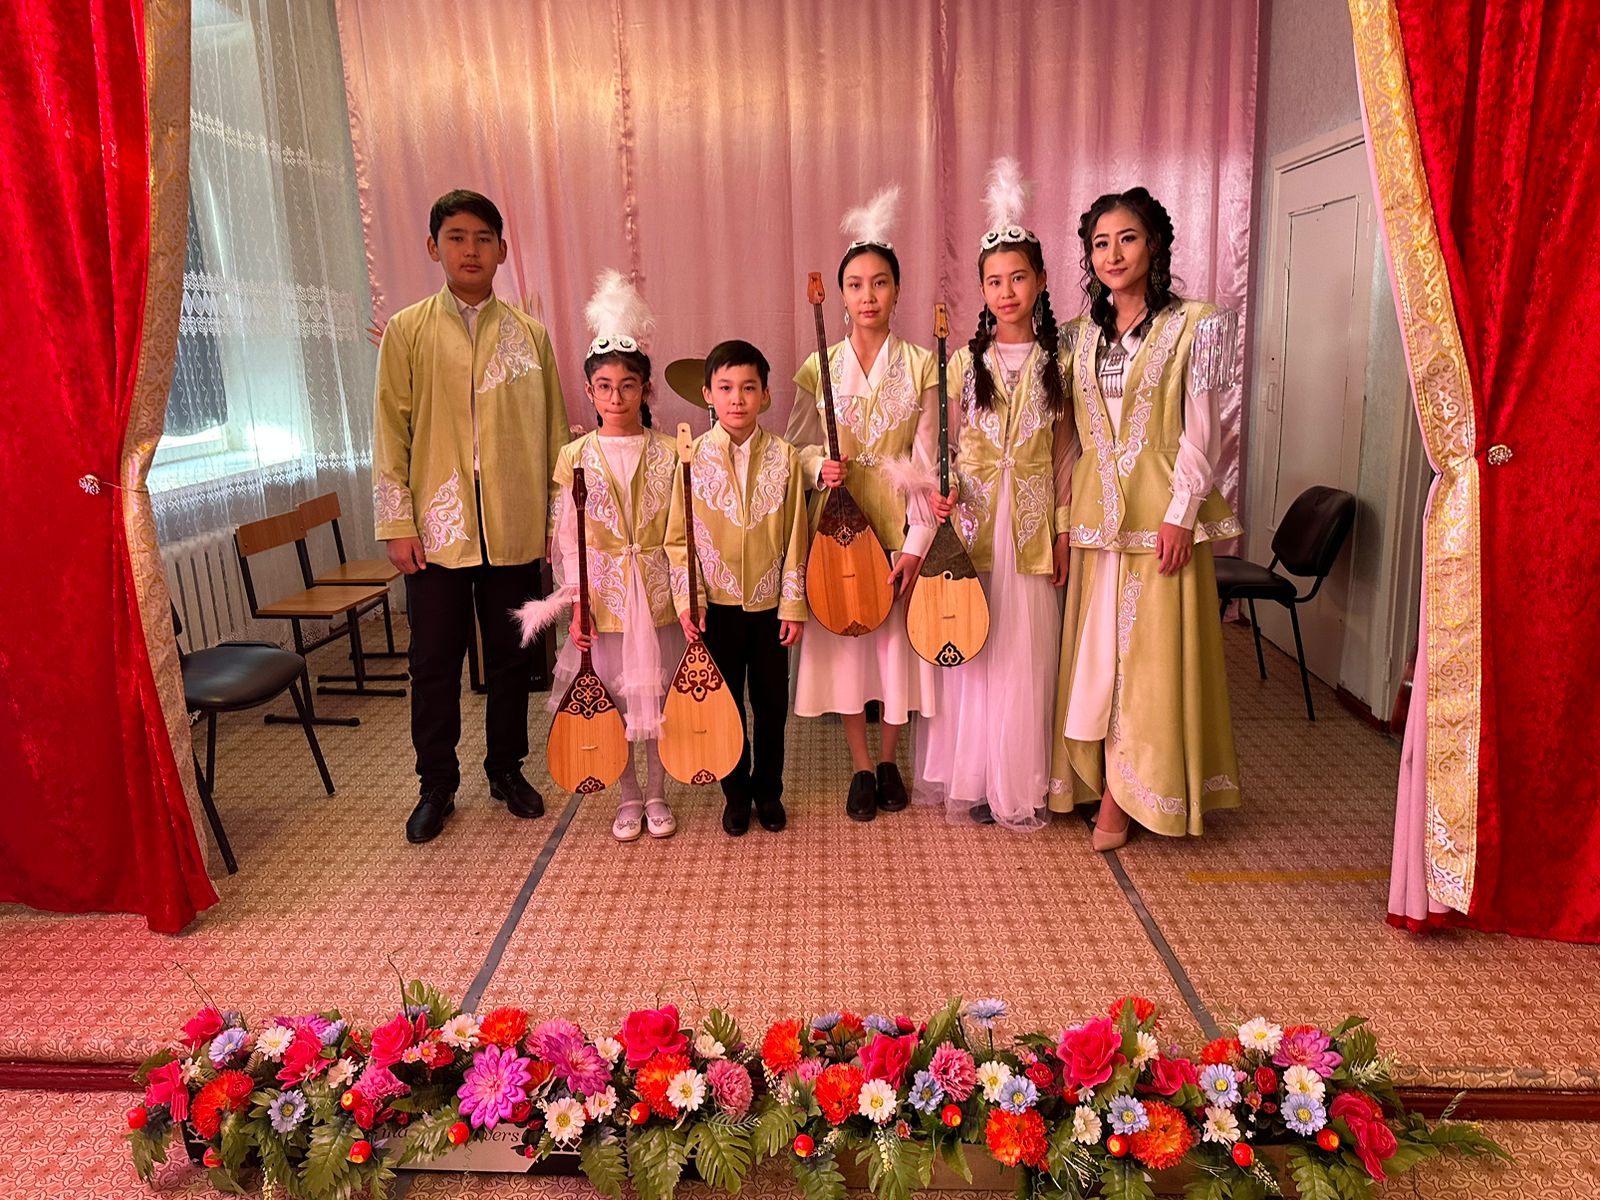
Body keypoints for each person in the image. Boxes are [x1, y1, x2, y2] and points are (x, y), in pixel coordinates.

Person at [1047, 187, 1243, 849]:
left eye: (1126, 239)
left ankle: (1128, 795)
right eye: (1100, 244)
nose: (1113, 255)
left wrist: (1182, 513)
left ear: (1154, 244)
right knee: (1097, 654)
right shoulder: (1077, 338)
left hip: (1161, 513)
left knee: (1150, 660)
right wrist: (1063, 522)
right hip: (1096, 517)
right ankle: (1099, 774)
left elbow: (1204, 429)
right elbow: (1068, 437)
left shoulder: (1197, 325)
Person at [372, 189, 567, 844]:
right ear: (434, 248)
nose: (471, 250)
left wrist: (555, 524)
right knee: (433, 661)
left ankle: (506, 769)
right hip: (436, 529)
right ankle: (436, 783)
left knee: (513, 657)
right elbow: (390, 432)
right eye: (457, 237)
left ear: (503, 250)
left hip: (512, 524)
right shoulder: (407, 332)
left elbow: (554, 435)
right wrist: (397, 521)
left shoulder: (530, 337)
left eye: (484, 238)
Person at [917, 158, 1074, 831]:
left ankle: (1022, 779)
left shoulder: (1060, 362)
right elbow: (938, 444)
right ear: (981, 289)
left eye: (1018, 278)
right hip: (975, 527)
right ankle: (975, 776)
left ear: (1040, 281)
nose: (1007, 292)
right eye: (994, 281)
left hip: (1031, 530)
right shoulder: (963, 363)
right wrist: (940, 492)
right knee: (973, 645)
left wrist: (1063, 530)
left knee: (1024, 653)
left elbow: (1067, 455)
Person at [784, 185, 940, 822]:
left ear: (897, 291)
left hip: (898, 527)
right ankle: (858, 765)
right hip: (840, 531)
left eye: (880, 283)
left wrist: (916, 545)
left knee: (895, 648)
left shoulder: (923, 365)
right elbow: (794, 448)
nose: (868, 295)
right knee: (848, 647)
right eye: (855, 285)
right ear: (840, 295)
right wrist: (816, 467)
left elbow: (930, 461)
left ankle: (890, 759)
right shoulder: (817, 367)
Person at [520, 271, 683, 842]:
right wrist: (576, 602)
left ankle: (658, 792)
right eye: (605, 386)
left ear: (646, 391)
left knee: (655, 700)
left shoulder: (669, 452)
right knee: (612, 699)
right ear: (589, 392)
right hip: (605, 598)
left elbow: (682, 531)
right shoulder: (575, 456)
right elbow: (568, 539)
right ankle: (628, 795)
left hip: (656, 595)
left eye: (628, 386)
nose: (617, 398)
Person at [665, 341, 809, 836]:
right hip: (717, 607)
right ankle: (736, 793)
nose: (737, 399)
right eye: (725, 388)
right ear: (707, 394)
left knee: (771, 704)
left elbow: (796, 535)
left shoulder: (785, 458)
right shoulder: (690, 459)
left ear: (765, 395)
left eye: (749, 388)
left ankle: (769, 790)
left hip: (769, 606)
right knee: (725, 704)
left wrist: (792, 604)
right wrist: (689, 600)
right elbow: (679, 539)